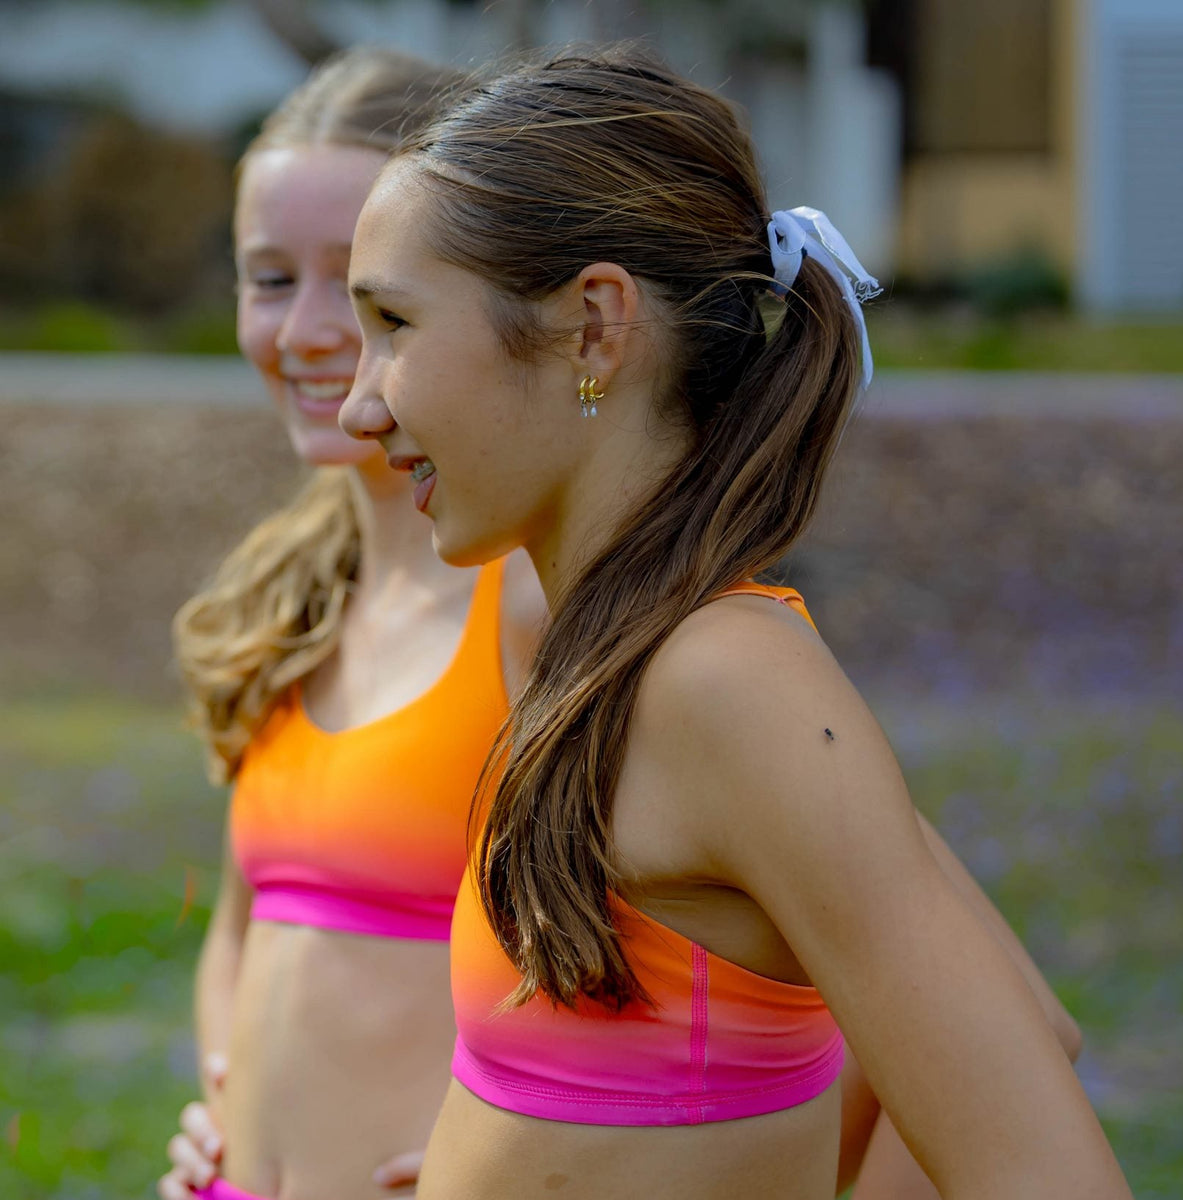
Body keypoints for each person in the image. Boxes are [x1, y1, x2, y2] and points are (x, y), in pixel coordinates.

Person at [339, 45, 1132, 1199]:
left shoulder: (727, 684)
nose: (362, 401)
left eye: (395, 323)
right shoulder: (619, 651)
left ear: (595, 327)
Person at [155, 48, 543, 1200]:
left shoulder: (539, 598)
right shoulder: (286, 602)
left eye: (370, 293)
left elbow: (825, 1011)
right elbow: (247, 926)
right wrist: (228, 1110)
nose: (313, 331)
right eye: (270, 279)